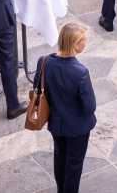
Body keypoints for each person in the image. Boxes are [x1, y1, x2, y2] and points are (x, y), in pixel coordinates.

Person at [34, 23, 96, 193]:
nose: (86, 44)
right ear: (75, 44)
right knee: (74, 166)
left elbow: (37, 89)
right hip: (77, 128)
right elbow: (89, 106)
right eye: (84, 41)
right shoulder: (80, 72)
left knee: (60, 158)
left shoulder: (44, 61)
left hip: (55, 123)